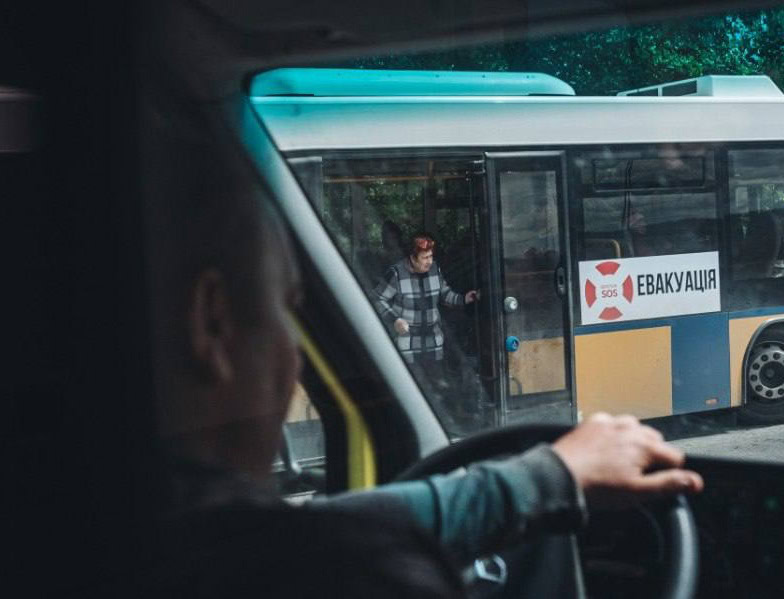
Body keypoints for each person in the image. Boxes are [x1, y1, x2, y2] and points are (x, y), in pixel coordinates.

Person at [143, 135, 704, 596]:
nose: (296, 356)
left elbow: (331, 526)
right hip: (413, 348)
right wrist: (545, 481)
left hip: (435, 348)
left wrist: (469, 305)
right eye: (287, 313)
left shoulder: (151, 525)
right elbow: (326, 542)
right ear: (212, 322)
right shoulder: (306, 570)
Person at [373, 232, 478, 396]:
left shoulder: (435, 269)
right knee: (410, 388)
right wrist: (394, 320)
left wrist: (464, 298)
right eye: (425, 257)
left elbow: (445, 294)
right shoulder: (396, 274)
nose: (430, 261)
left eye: (431, 256)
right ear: (413, 258)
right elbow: (377, 299)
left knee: (437, 388)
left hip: (433, 341)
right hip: (407, 342)